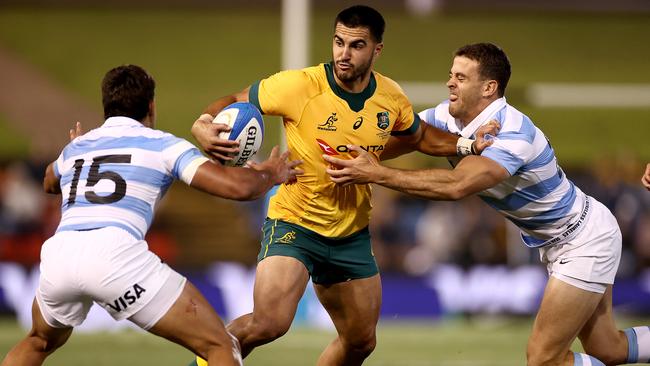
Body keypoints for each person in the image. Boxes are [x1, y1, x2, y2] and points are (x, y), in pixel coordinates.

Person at [189, 6, 495, 366]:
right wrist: (204, 123)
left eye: (356, 45)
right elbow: (234, 100)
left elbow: (419, 136)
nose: (343, 54)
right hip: (295, 223)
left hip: (351, 234)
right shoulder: (300, 86)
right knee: (268, 323)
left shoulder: (390, 96)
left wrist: (467, 145)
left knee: (361, 341)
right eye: (338, 42)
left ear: (376, 50)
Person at [323, 42, 650, 366]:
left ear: (489, 88)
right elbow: (389, 140)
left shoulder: (513, 133)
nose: (450, 82)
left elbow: (457, 186)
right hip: (564, 237)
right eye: (451, 75)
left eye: (461, 78)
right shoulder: (446, 118)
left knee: (544, 359)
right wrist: (341, 154)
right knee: (608, 348)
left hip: (583, 239)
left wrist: (375, 173)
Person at [0, 64, 302, 366]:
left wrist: (74, 152)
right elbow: (237, 188)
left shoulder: (77, 147)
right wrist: (270, 174)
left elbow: (49, 182)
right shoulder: (163, 145)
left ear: (108, 107)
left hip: (60, 254)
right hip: (115, 256)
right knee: (220, 345)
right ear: (151, 107)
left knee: (38, 341)